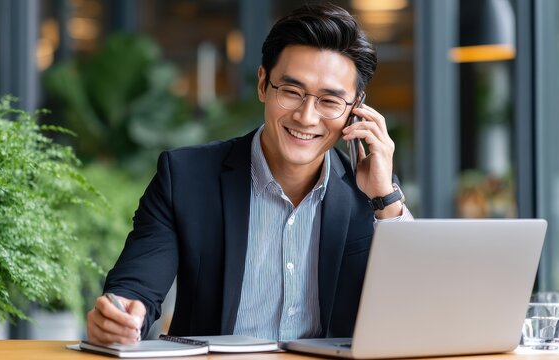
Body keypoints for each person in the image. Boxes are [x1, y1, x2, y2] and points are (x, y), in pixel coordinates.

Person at [86, 3, 413, 345]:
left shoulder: (373, 194)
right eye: (291, 91)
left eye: (330, 101)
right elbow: (136, 288)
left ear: (356, 109)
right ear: (262, 84)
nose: (306, 116)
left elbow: (412, 313)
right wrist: (120, 316)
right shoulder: (186, 178)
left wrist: (386, 202)